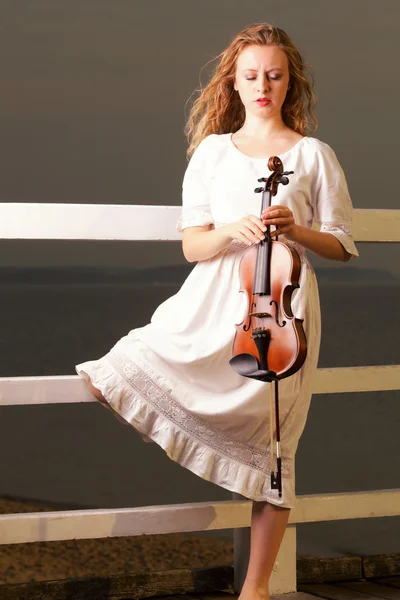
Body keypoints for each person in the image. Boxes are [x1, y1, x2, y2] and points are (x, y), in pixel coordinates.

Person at [76, 23, 358, 600]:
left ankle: (254, 591)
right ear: (234, 81)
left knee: (276, 451)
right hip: (210, 304)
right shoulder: (211, 152)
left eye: (274, 76)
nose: (263, 86)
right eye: (252, 75)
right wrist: (233, 230)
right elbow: (194, 245)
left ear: (289, 82)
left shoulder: (313, 155)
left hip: (282, 311)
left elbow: (340, 243)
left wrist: (295, 227)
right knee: (118, 370)